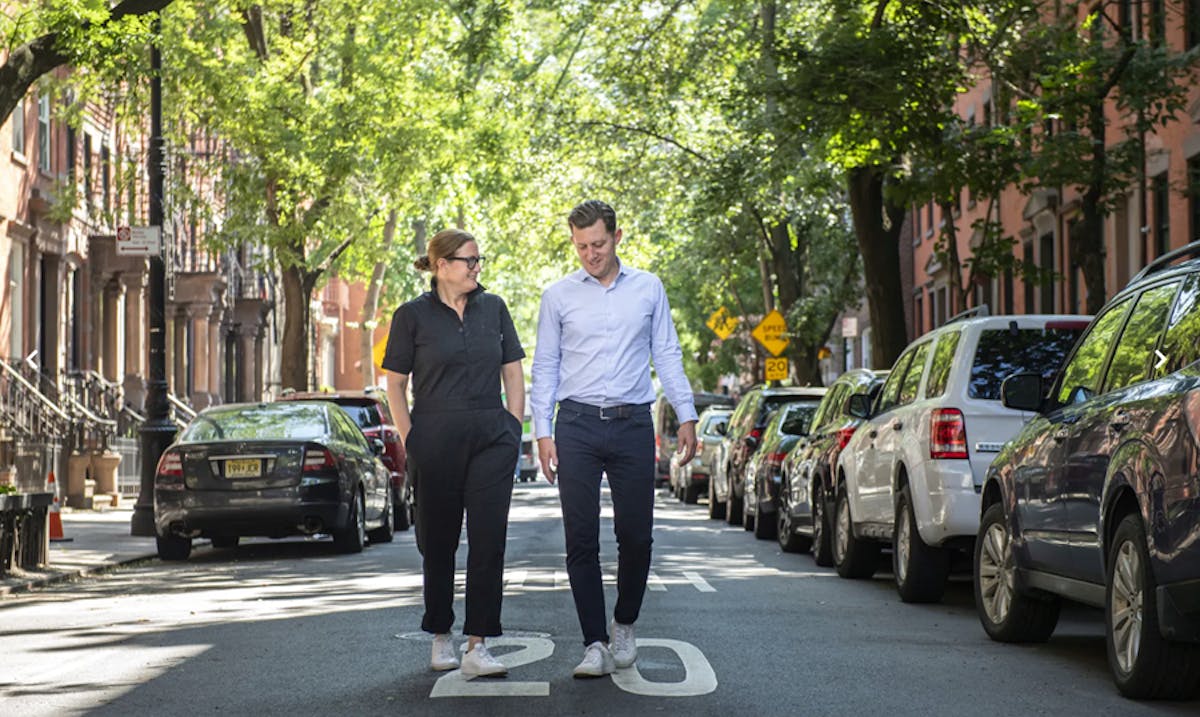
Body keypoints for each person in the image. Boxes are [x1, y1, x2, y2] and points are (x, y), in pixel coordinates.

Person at [531, 200, 698, 677]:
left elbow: (666, 352)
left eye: (599, 244)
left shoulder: (648, 288)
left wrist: (686, 414)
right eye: (581, 245)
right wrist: (542, 431)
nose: (590, 253)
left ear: (617, 237)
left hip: (632, 425)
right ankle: (593, 642)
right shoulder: (557, 296)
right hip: (577, 424)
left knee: (637, 537)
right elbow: (545, 366)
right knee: (580, 539)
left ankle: (624, 622)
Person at [382, 228, 525, 679]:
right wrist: (411, 438)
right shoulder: (411, 316)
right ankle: (441, 635)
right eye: (469, 260)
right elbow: (395, 384)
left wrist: (513, 427)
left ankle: (478, 643)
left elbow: (513, 372)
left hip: (490, 436)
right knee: (437, 542)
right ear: (442, 265)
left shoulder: (495, 308)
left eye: (479, 259)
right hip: (435, 437)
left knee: (488, 542)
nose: (477, 267)